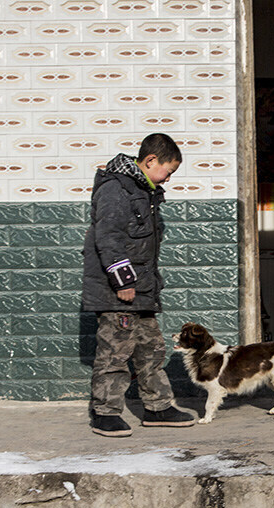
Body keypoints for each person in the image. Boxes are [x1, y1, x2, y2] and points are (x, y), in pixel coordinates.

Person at [82, 133, 195, 437]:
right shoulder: (116, 190)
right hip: (119, 291)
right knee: (115, 352)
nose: (168, 179)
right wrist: (123, 281)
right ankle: (105, 413)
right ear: (150, 161)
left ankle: (158, 408)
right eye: (168, 171)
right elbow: (108, 238)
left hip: (141, 290)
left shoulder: (144, 191)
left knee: (152, 350)